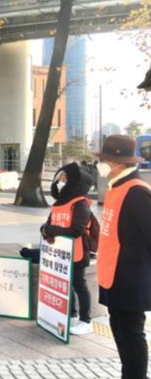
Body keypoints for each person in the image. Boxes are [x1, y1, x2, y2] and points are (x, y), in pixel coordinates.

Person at [93, 135, 151, 379]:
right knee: (120, 330)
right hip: (114, 274)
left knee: (131, 334)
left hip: (130, 279)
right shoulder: (117, 187)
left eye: (103, 160)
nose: (100, 164)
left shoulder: (137, 192)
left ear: (117, 162)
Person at [41, 162, 95, 336]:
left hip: (78, 252)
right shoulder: (58, 203)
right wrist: (45, 232)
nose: (61, 182)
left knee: (79, 285)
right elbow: (49, 224)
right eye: (60, 178)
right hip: (59, 253)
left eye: (65, 179)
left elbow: (76, 230)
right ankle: (71, 314)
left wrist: (52, 230)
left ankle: (86, 321)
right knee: (66, 284)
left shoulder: (80, 204)